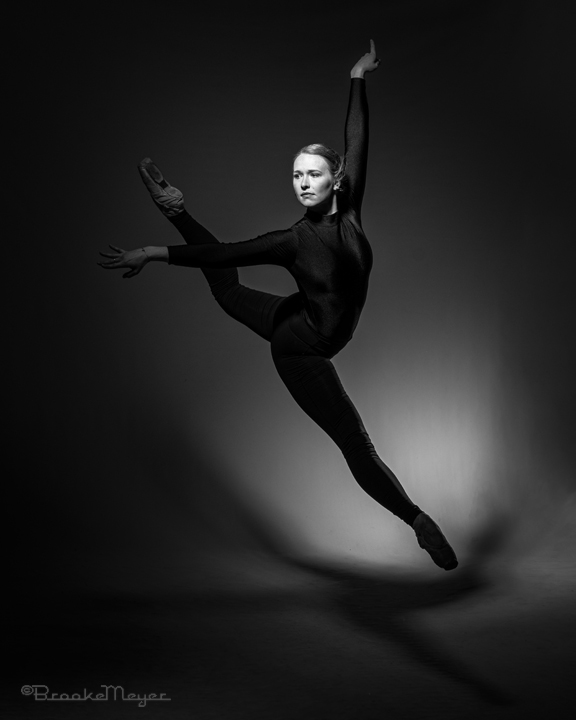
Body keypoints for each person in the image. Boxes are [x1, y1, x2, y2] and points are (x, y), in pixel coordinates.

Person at [99, 40, 458, 570]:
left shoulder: (350, 208)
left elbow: (356, 138)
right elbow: (225, 254)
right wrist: (155, 252)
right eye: (296, 176)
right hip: (300, 349)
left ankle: (175, 207)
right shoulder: (292, 240)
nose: (303, 184)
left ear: (337, 178)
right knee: (354, 441)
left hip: (297, 314)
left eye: (313, 174)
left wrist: (357, 76)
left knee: (228, 293)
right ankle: (417, 520)